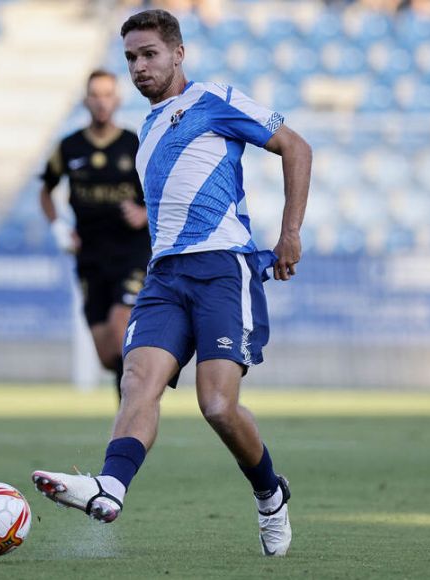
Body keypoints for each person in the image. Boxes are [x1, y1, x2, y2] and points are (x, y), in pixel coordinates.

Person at [32, 9, 312, 558]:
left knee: (217, 407)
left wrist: (290, 233)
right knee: (137, 380)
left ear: (178, 54)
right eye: (131, 58)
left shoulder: (213, 99)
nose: (139, 67)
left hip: (220, 272)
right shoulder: (149, 131)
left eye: (149, 55)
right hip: (164, 275)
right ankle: (109, 488)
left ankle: (269, 494)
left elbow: (296, 148)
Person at [40, 69, 153, 399]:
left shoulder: (134, 144)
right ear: (86, 100)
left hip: (131, 252)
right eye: (95, 95)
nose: (102, 102)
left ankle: (131, 421)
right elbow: (45, 190)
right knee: (107, 356)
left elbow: (164, 189)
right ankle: (135, 386)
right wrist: (59, 227)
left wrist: (145, 213)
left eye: (107, 95)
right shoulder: (69, 147)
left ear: (117, 100)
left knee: (121, 323)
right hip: (90, 256)